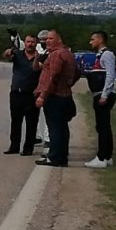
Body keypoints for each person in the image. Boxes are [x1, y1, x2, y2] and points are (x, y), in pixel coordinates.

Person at [34, 29, 76, 167]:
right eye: (46, 39)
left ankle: (54, 157)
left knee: (55, 129)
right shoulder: (68, 54)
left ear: (59, 40)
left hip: (55, 97)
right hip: (65, 95)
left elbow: (51, 77)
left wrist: (42, 96)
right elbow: (76, 73)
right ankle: (62, 156)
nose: (47, 41)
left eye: (51, 39)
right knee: (63, 128)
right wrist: (68, 84)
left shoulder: (56, 55)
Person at [2, 34, 42, 156]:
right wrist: (8, 52)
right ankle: (14, 146)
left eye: (33, 42)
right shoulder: (18, 54)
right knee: (15, 121)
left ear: (36, 43)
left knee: (31, 122)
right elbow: (6, 55)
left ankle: (28, 148)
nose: (30, 44)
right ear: (25, 42)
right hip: (16, 93)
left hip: (31, 95)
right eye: (28, 42)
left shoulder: (40, 57)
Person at [84, 30, 116, 168]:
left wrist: (104, 95)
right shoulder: (99, 56)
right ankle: (107, 156)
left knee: (103, 126)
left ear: (100, 40)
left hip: (104, 95)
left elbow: (110, 75)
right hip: (99, 94)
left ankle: (102, 157)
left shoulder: (107, 55)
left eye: (93, 39)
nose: (90, 42)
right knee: (103, 126)